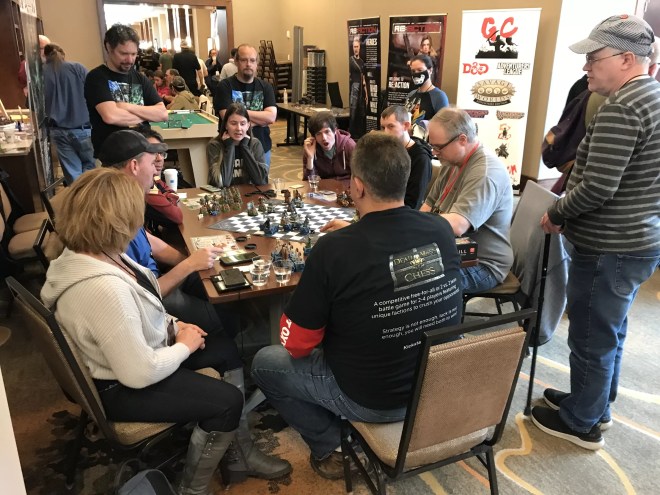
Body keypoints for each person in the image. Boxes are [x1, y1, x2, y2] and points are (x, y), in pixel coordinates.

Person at [41, 167, 290, 494]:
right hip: (120, 385)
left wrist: (174, 324)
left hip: (130, 353)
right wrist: (183, 345)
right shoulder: (102, 289)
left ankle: (239, 456)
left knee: (224, 350)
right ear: (119, 220)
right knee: (227, 402)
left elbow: (143, 300)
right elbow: (139, 373)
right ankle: (192, 489)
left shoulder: (96, 253)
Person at [252, 132, 462, 480]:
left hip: (371, 399)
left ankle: (330, 446)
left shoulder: (333, 249)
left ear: (358, 186)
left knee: (265, 362)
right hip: (434, 385)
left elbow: (296, 345)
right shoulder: (441, 230)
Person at [534, 14, 660, 451]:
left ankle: (581, 421)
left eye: (594, 57)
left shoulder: (623, 107)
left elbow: (597, 187)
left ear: (626, 59)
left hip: (610, 245)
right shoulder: (652, 96)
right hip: (638, 241)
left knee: (590, 333)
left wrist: (557, 212)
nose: (586, 66)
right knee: (610, 329)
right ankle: (595, 403)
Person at [421, 107, 513, 294]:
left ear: (462, 140)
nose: (434, 153)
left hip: (484, 263)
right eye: (432, 146)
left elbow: (458, 225)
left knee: (416, 278)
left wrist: (411, 225)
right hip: (453, 250)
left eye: (439, 147)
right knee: (398, 265)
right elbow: (428, 206)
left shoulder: (486, 172)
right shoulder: (451, 161)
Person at [84, 24, 167, 156]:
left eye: (133, 54)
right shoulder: (97, 77)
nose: (130, 60)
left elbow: (162, 114)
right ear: (108, 47)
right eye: (123, 54)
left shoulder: (140, 78)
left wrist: (125, 106)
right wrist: (146, 115)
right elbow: (111, 116)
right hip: (113, 155)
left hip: (143, 152)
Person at [214, 44, 277, 170]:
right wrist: (260, 120)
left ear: (257, 63)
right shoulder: (224, 86)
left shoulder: (266, 87)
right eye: (244, 60)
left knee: (261, 181)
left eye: (252, 60)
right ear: (236, 61)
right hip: (231, 149)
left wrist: (238, 117)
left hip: (261, 148)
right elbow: (226, 117)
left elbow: (271, 117)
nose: (248, 64)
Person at [43, 43, 95, 185]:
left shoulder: (41, 73)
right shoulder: (77, 68)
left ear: (45, 56)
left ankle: (77, 196)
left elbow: (33, 104)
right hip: (83, 129)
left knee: (73, 173)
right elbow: (94, 93)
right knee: (89, 168)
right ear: (63, 55)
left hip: (58, 130)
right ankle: (89, 195)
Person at [380, 105, 433, 209]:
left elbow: (413, 203)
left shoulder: (421, 159)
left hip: (404, 213)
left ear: (406, 126)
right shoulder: (387, 150)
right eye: (383, 127)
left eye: (391, 126)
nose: (385, 132)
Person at [206, 102, 268, 187]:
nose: (239, 128)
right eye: (233, 123)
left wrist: (244, 147)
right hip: (224, 194)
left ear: (248, 125)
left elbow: (260, 180)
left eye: (242, 124)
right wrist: (230, 146)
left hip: (250, 193)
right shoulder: (214, 145)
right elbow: (223, 183)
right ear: (226, 125)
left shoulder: (255, 144)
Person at [138, 127, 182, 228]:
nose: (159, 158)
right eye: (153, 153)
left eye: (161, 153)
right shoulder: (143, 183)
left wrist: (167, 197)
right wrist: (167, 198)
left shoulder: (154, 177)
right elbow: (177, 216)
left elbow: (170, 191)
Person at [302, 111, 354, 180]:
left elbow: (360, 177)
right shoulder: (311, 148)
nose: (324, 138)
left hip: (347, 185)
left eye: (327, 132)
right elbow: (308, 181)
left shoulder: (349, 145)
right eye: (318, 134)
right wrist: (310, 158)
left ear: (335, 131)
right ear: (314, 137)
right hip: (324, 186)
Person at [405, 54, 449, 133]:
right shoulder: (411, 94)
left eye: (420, 70)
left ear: (430, 70)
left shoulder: (439, 96)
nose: (416, 73)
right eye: (413, 71)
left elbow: (444, 125)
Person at [348, 35, 367, 139]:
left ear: (360, 48)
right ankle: (351, 134)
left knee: (361, 112)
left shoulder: (362, 62)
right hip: (354, 88)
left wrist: (366, 92)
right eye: (354, 47)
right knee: (353, 111)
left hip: (361, 90)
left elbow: (363, 78)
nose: (355, 49)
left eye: (357, 47)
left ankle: (360, 134)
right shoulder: (351, 60)